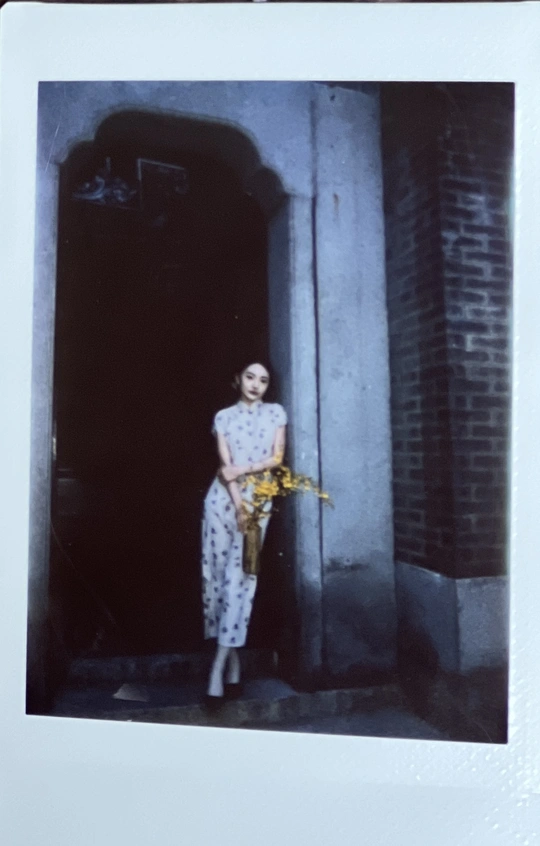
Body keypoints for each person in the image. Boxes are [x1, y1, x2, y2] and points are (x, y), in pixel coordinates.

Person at [201, 360, 287, 703]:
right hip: (221, 501)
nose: (255, 385)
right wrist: (238, 504)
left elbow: (276, 458)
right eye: (250, 377)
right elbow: (225, 470)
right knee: (217, 578)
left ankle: (217, 668)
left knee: (241, 579)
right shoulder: (223, 417)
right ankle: (234, 666)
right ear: (238, 379)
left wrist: (244, 471)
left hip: (258, 502)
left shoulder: (276, 413)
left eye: (263, 380)